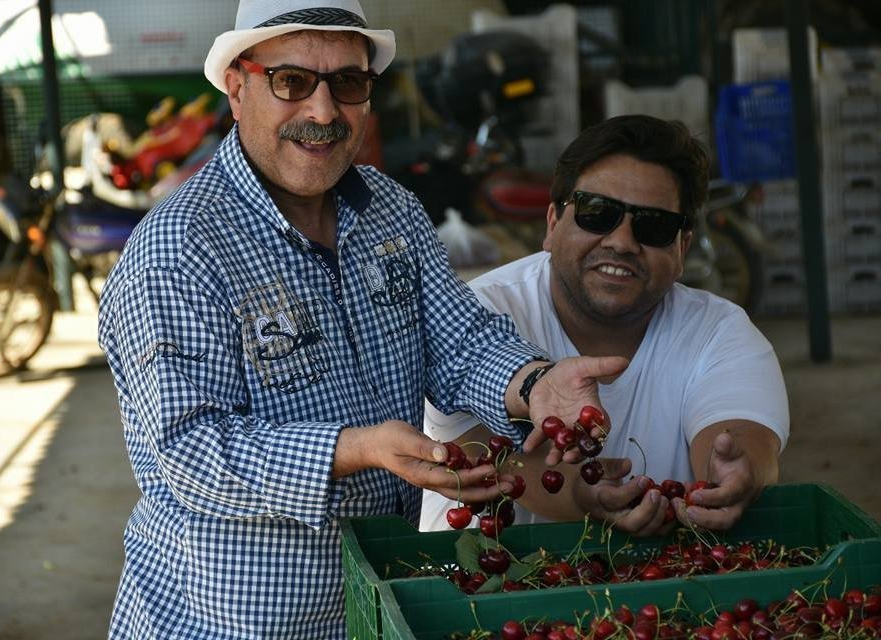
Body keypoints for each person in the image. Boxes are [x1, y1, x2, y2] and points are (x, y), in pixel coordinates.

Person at [96, 1, 626, 637]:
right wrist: (355, 449)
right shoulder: (180, 248)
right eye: (291, 81)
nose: (322, 112)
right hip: (223, 624)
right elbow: (188, 450)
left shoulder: (391, 211)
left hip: (370, 607)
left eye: (346, 83)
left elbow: (460, 341)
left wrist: (535, 383)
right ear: (238, 88)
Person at [421, 114, 789, 538]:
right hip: (477, 593)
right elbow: (495, 457)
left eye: (654, 225)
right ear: (552, 223)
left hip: (661, 594)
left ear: (682, 247)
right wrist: (582, 497)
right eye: (598, 213)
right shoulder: (474, 319)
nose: (621, 242)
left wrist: (737, 473)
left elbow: (741, 435)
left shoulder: (721, 333)